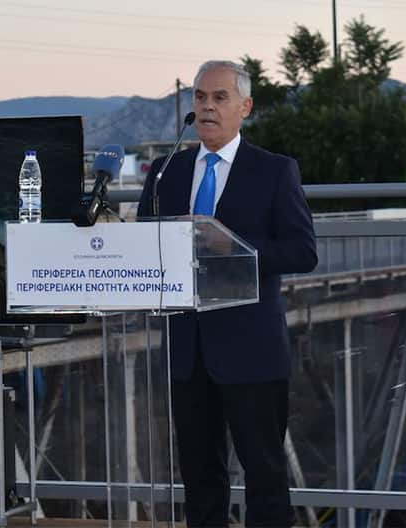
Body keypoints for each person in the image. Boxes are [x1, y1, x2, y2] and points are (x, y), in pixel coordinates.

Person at [138, 60, 318, 527]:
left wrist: (229, 244)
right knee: (200, 478)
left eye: (220, 98)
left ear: (246, 107)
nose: (207, 107)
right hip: (187, 348)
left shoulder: (274, 171)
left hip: (252, 349)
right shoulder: (166, 171)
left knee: (265, 475)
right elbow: (143, 244)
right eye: (200, 97)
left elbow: (302, 251)